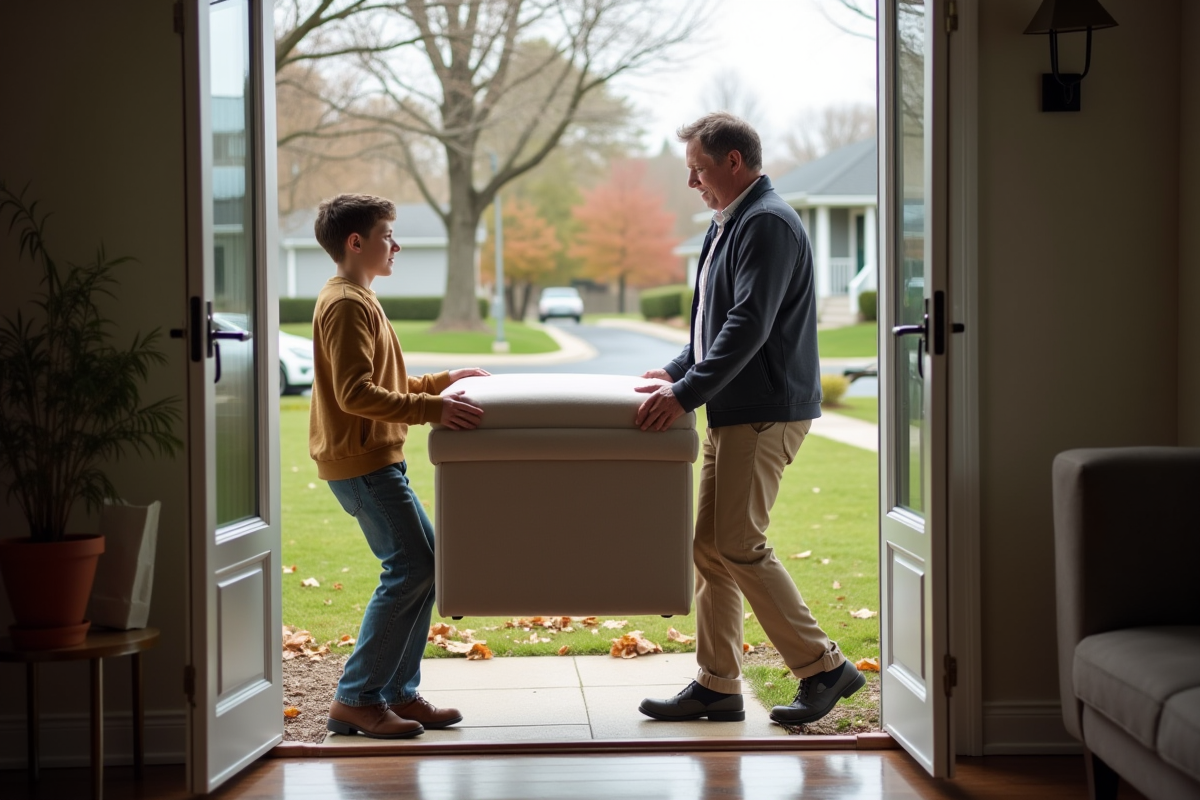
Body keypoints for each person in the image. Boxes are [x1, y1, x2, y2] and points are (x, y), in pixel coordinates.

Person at [634, 113, 865, 726]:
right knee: (711, 549)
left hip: (764, 412)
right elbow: (714, 322)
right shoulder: (732, 223)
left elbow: (748, 325)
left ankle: (823, 667)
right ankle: (717, 685)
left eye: (698, 169)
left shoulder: (767, 222)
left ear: (733, 161)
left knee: (738, 544)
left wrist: (685, 393)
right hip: (736, 409)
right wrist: (676, 370)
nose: (692, 182)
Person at [309, 193, 489, 739]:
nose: (396, 245)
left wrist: (441, 382)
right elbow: (355, 393)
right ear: (355, 242)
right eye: (387, 235)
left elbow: (383, 380)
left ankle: (397, 692)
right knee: (411, 567)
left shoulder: (358, 298)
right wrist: (434, 408)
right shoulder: (346, 304)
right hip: (362, 463)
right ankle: (358, 698)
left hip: (376, 458)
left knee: (426, 566)